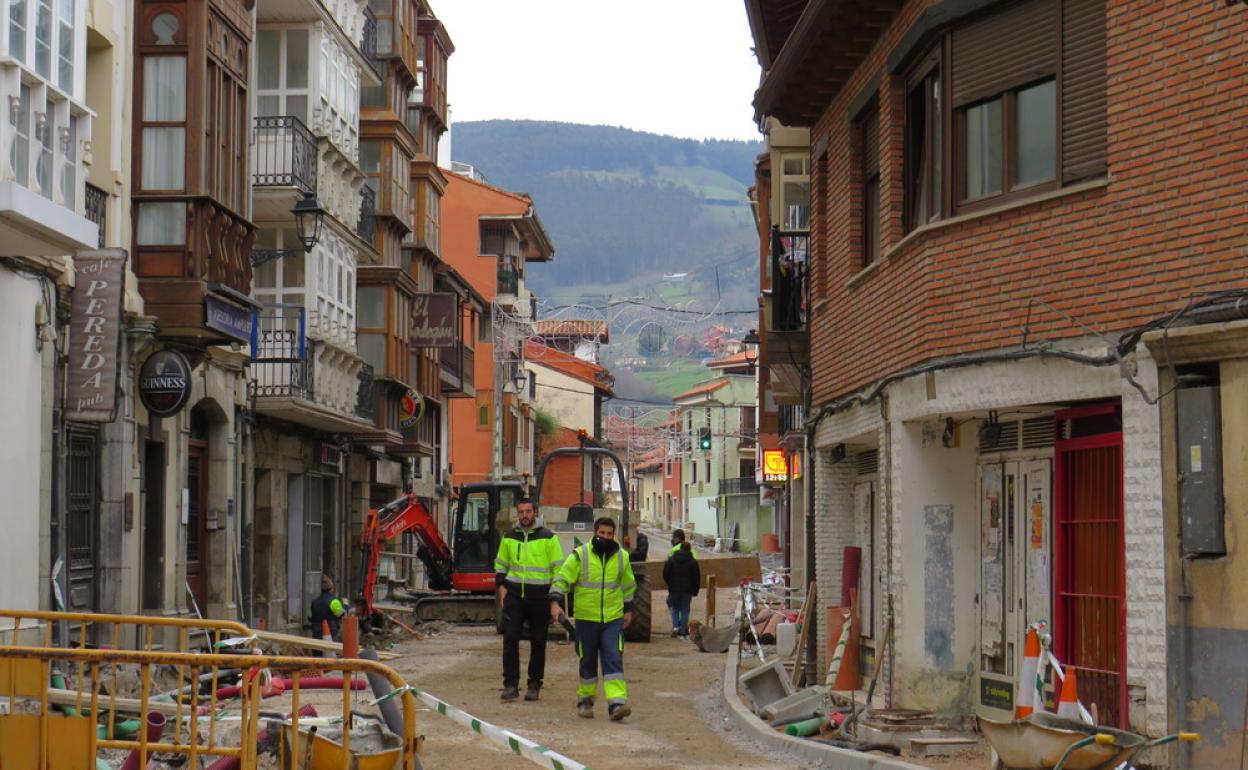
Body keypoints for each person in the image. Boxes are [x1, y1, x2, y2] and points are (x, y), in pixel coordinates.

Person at [549, 516, 636, 722]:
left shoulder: (622, 557)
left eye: (609, 534)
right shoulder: (580, 555)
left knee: (613, 658)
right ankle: (585, 701)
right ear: (594, 533)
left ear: (613, 535)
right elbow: (562, 578)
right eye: (602, 533)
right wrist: (554, 601)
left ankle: (617, 704)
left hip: (612, 620)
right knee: (587, 661)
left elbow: (628, 586)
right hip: (586, 619)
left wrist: (629, 610)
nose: (605, 537)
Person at [494, 496, 564, 702]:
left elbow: (558, 570)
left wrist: (554, 599)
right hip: (514, 596)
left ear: (535, 512)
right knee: (510, 639)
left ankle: (534, 684)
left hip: (540, 597)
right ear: (517, 513)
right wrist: (502, 592)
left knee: (539, 641)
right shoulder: (509, 536)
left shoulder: (549, 538)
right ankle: (510, 684)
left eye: (528, 512)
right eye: (521, 512)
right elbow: (500, 566)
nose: (525, 516)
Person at [662, 542, 700, 639]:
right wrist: (695, 590)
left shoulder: (671, 560)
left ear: (680, 548)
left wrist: (669, 583)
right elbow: (696, 577)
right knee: (685, 610)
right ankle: (683, 631)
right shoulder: (693, 562)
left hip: (674, 589)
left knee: (675, 608)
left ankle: (675, 627)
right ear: (689, 549)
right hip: (687, 590)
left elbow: (665, 573)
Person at [309, 575, 346, 641]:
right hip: (330, 634)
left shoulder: (314, 602)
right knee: (331, 650)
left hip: (316, 634)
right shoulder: (334, 601)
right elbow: (341, 615)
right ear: (331, 589)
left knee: (317, 650)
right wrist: (345, 606)